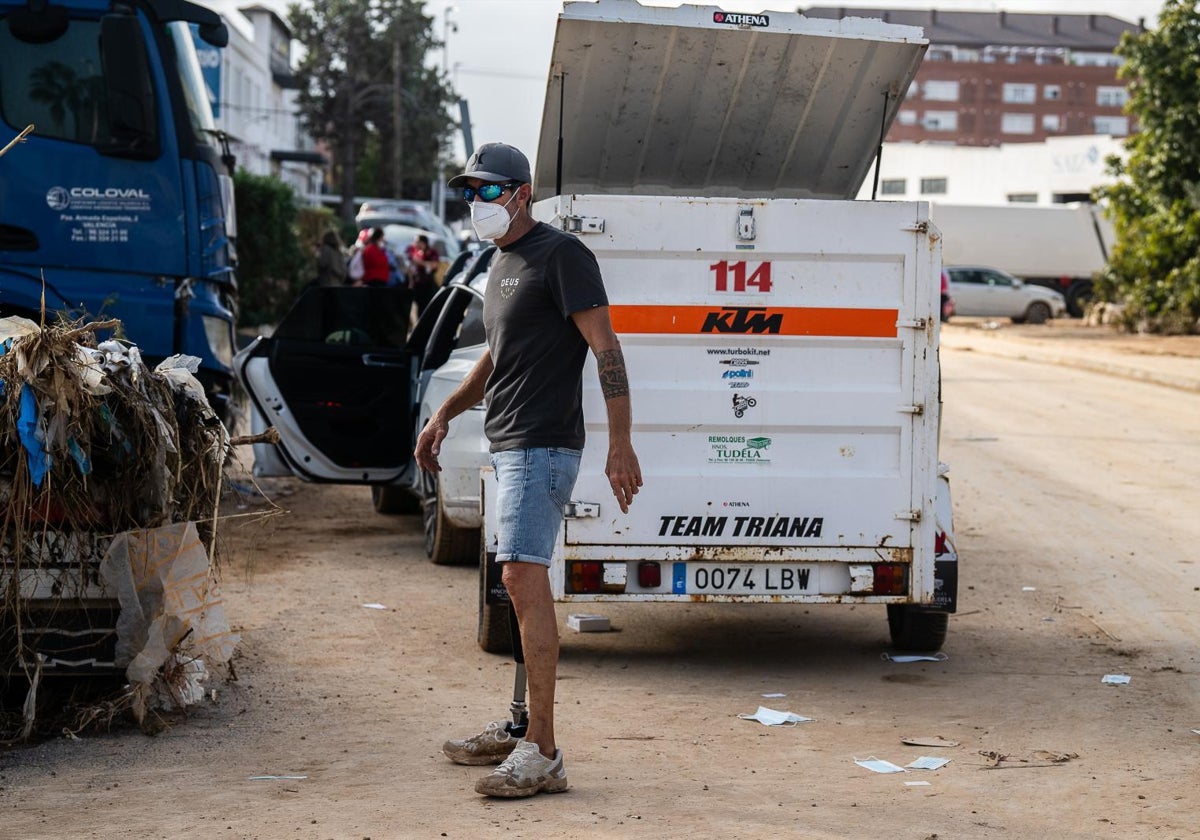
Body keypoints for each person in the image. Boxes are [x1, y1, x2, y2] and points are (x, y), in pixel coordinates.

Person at [415, 142, 642, 799]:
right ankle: (521, 726)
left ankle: (543, 751)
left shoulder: (562, 254)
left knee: (521, 573)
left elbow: (606, 347)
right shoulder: (502, 262)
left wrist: (620, 442)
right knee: (512, 582)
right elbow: (494, 356)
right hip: (506, 441)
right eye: (469, 191)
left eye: (488, 190)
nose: (475, 202)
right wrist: (445, 416)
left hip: (543, 444)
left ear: (522, 192)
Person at [404, 234, 440, 316]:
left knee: (427, 308)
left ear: (423, 242)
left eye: (417, 242)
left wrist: (420, 262)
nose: (415, 244)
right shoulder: (415, 252)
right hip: (416, 284)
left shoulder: (431, 252)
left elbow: (434, 265)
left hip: (428, 285)